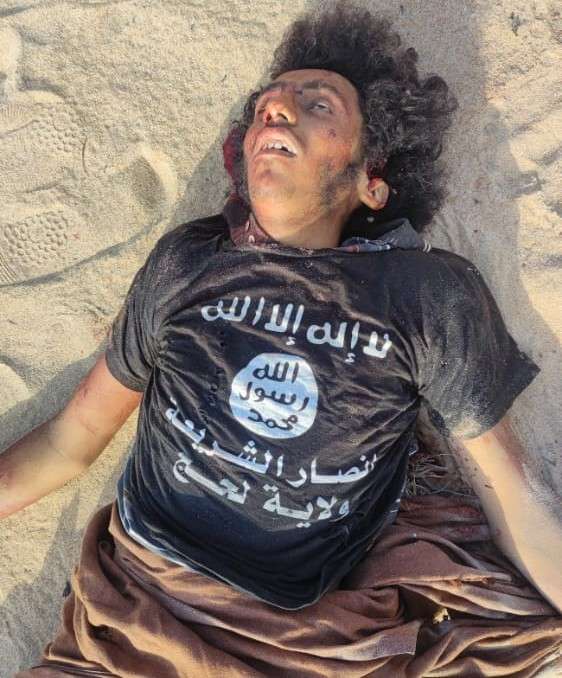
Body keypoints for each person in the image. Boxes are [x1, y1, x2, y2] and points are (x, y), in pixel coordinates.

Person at [3, 3, 561, 676]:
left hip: (299, 640)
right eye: (267, 106)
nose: (276, 110)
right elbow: (70, 441)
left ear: (372, 181)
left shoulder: (423, 295)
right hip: (141, 608)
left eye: (317, 105)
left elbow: (511, 494)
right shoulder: (190, 263)